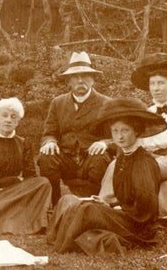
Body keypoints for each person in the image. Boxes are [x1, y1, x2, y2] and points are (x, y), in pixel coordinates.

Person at [47, 98, 164, 255]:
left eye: (125, 130)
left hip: (139, 226)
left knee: (87, 210)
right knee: (70, 200)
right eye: (115, 131)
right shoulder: (123, 158)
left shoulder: (143, 162)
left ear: (136, 131)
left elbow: (146, 207)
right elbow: (125, 195)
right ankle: (56, 239)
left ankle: (64, 247)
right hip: (124, 215)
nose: (119, 137)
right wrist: (107, 203)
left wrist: (115, 208)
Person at [116, 52, 167, 216]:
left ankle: (138, 209)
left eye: (161, 83)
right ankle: (105, 201)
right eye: (152, 83)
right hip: (149, 158)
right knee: (119, 164)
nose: (155, 88)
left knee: (141, 167)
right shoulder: (147, 113)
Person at [37, 52, 113, 206]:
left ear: (93, 79)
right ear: (68, 81)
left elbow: (117, 137)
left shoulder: (107, 103)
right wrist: (50, 142)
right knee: (46, 157)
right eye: (75, 77)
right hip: (67, 161)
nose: (80, 80)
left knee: (99, 159)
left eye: (85, 76)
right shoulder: (58, 103)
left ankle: (92, 204)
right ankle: (55, 203)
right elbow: (49, 133)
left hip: (92, 160)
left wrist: (104, 143)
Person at [0, 97, 52, 235]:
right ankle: (13, 215)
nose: (8, 120)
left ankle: (17, 214)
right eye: (4, 115)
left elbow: (30, 178)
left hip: (17, 194)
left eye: (13, 117)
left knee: (43, 183)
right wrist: (13, 181)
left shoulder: (24, 143)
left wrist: (22, 185)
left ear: (17, 122)